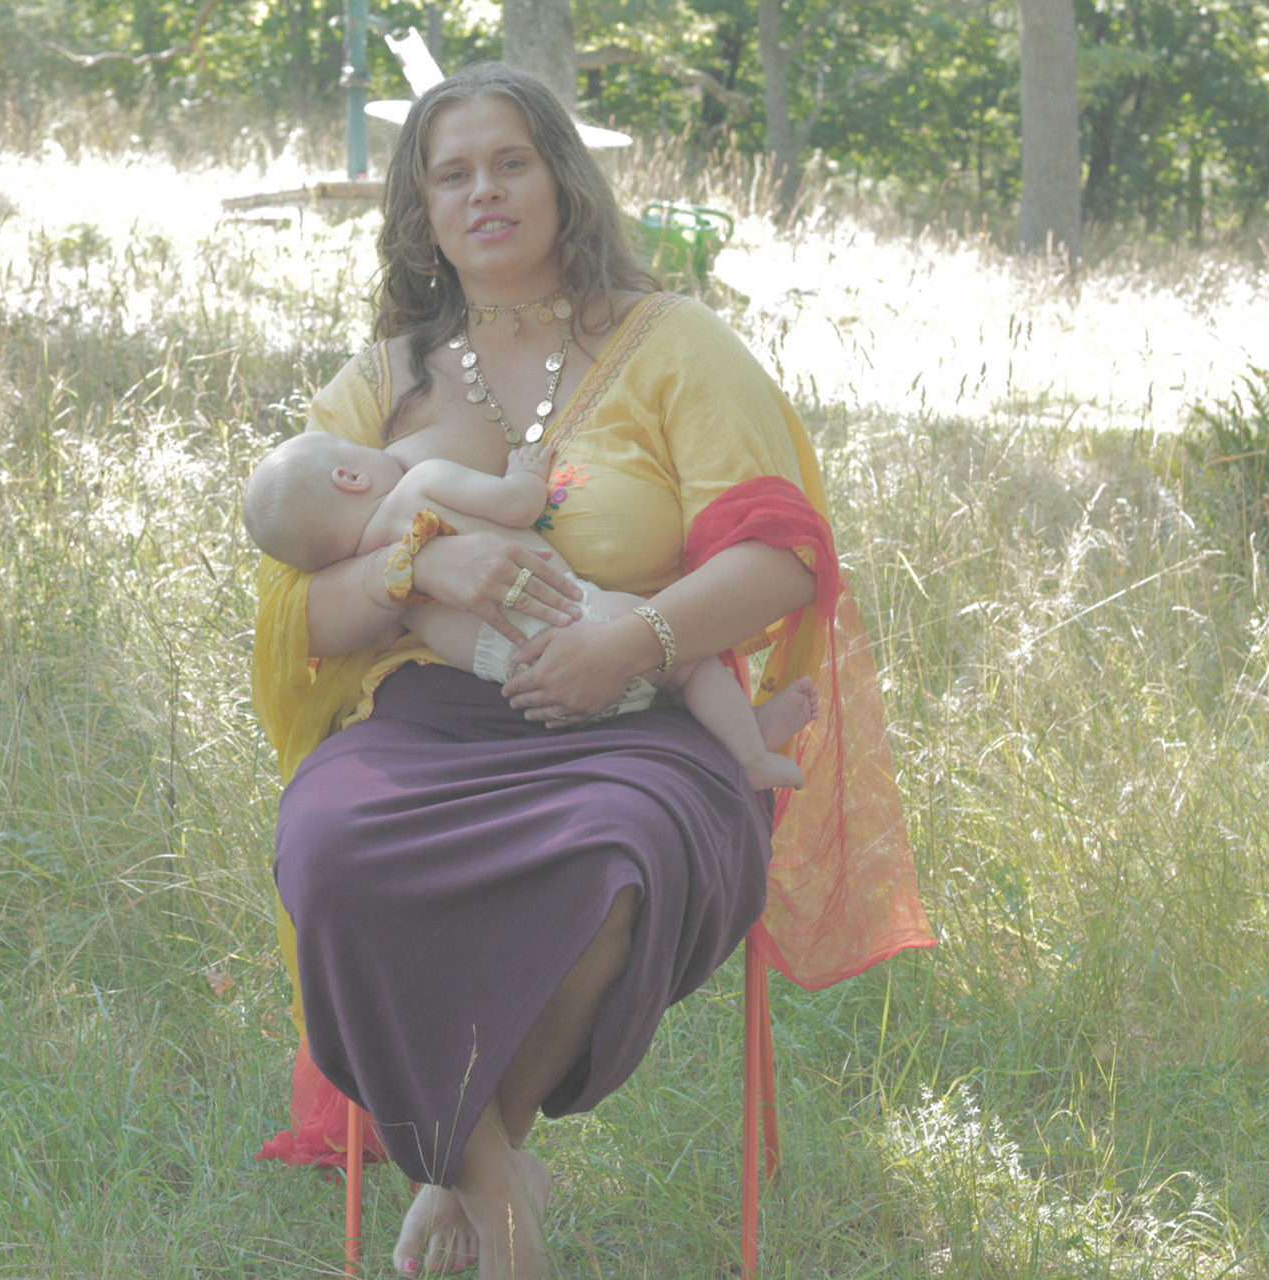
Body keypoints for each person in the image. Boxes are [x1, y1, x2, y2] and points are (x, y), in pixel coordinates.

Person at [249, 63, 934, 1277]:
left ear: (563, 180)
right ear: (421, 210)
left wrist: (631, 639)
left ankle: (471, 1159)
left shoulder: (676, 344)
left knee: (613, 861)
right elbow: (302, 608)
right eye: (452, 174)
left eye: (510, 161)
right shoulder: (378, 385)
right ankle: (498, 1192)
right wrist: (422, 567)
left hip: (648, 713)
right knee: (332, 851)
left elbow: (781, 557)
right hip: (427, 723)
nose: (484, 191)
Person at [242, 431, 818, 790]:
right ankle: (749, 747)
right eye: (360, 448)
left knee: (658, 684)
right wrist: (526, 469)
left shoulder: (386, 587)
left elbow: (373, 642)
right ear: (350, 477)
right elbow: (517, 506)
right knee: (684, 664)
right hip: (578, 622)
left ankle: (726, 735)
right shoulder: (421, 484)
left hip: (528, 687)